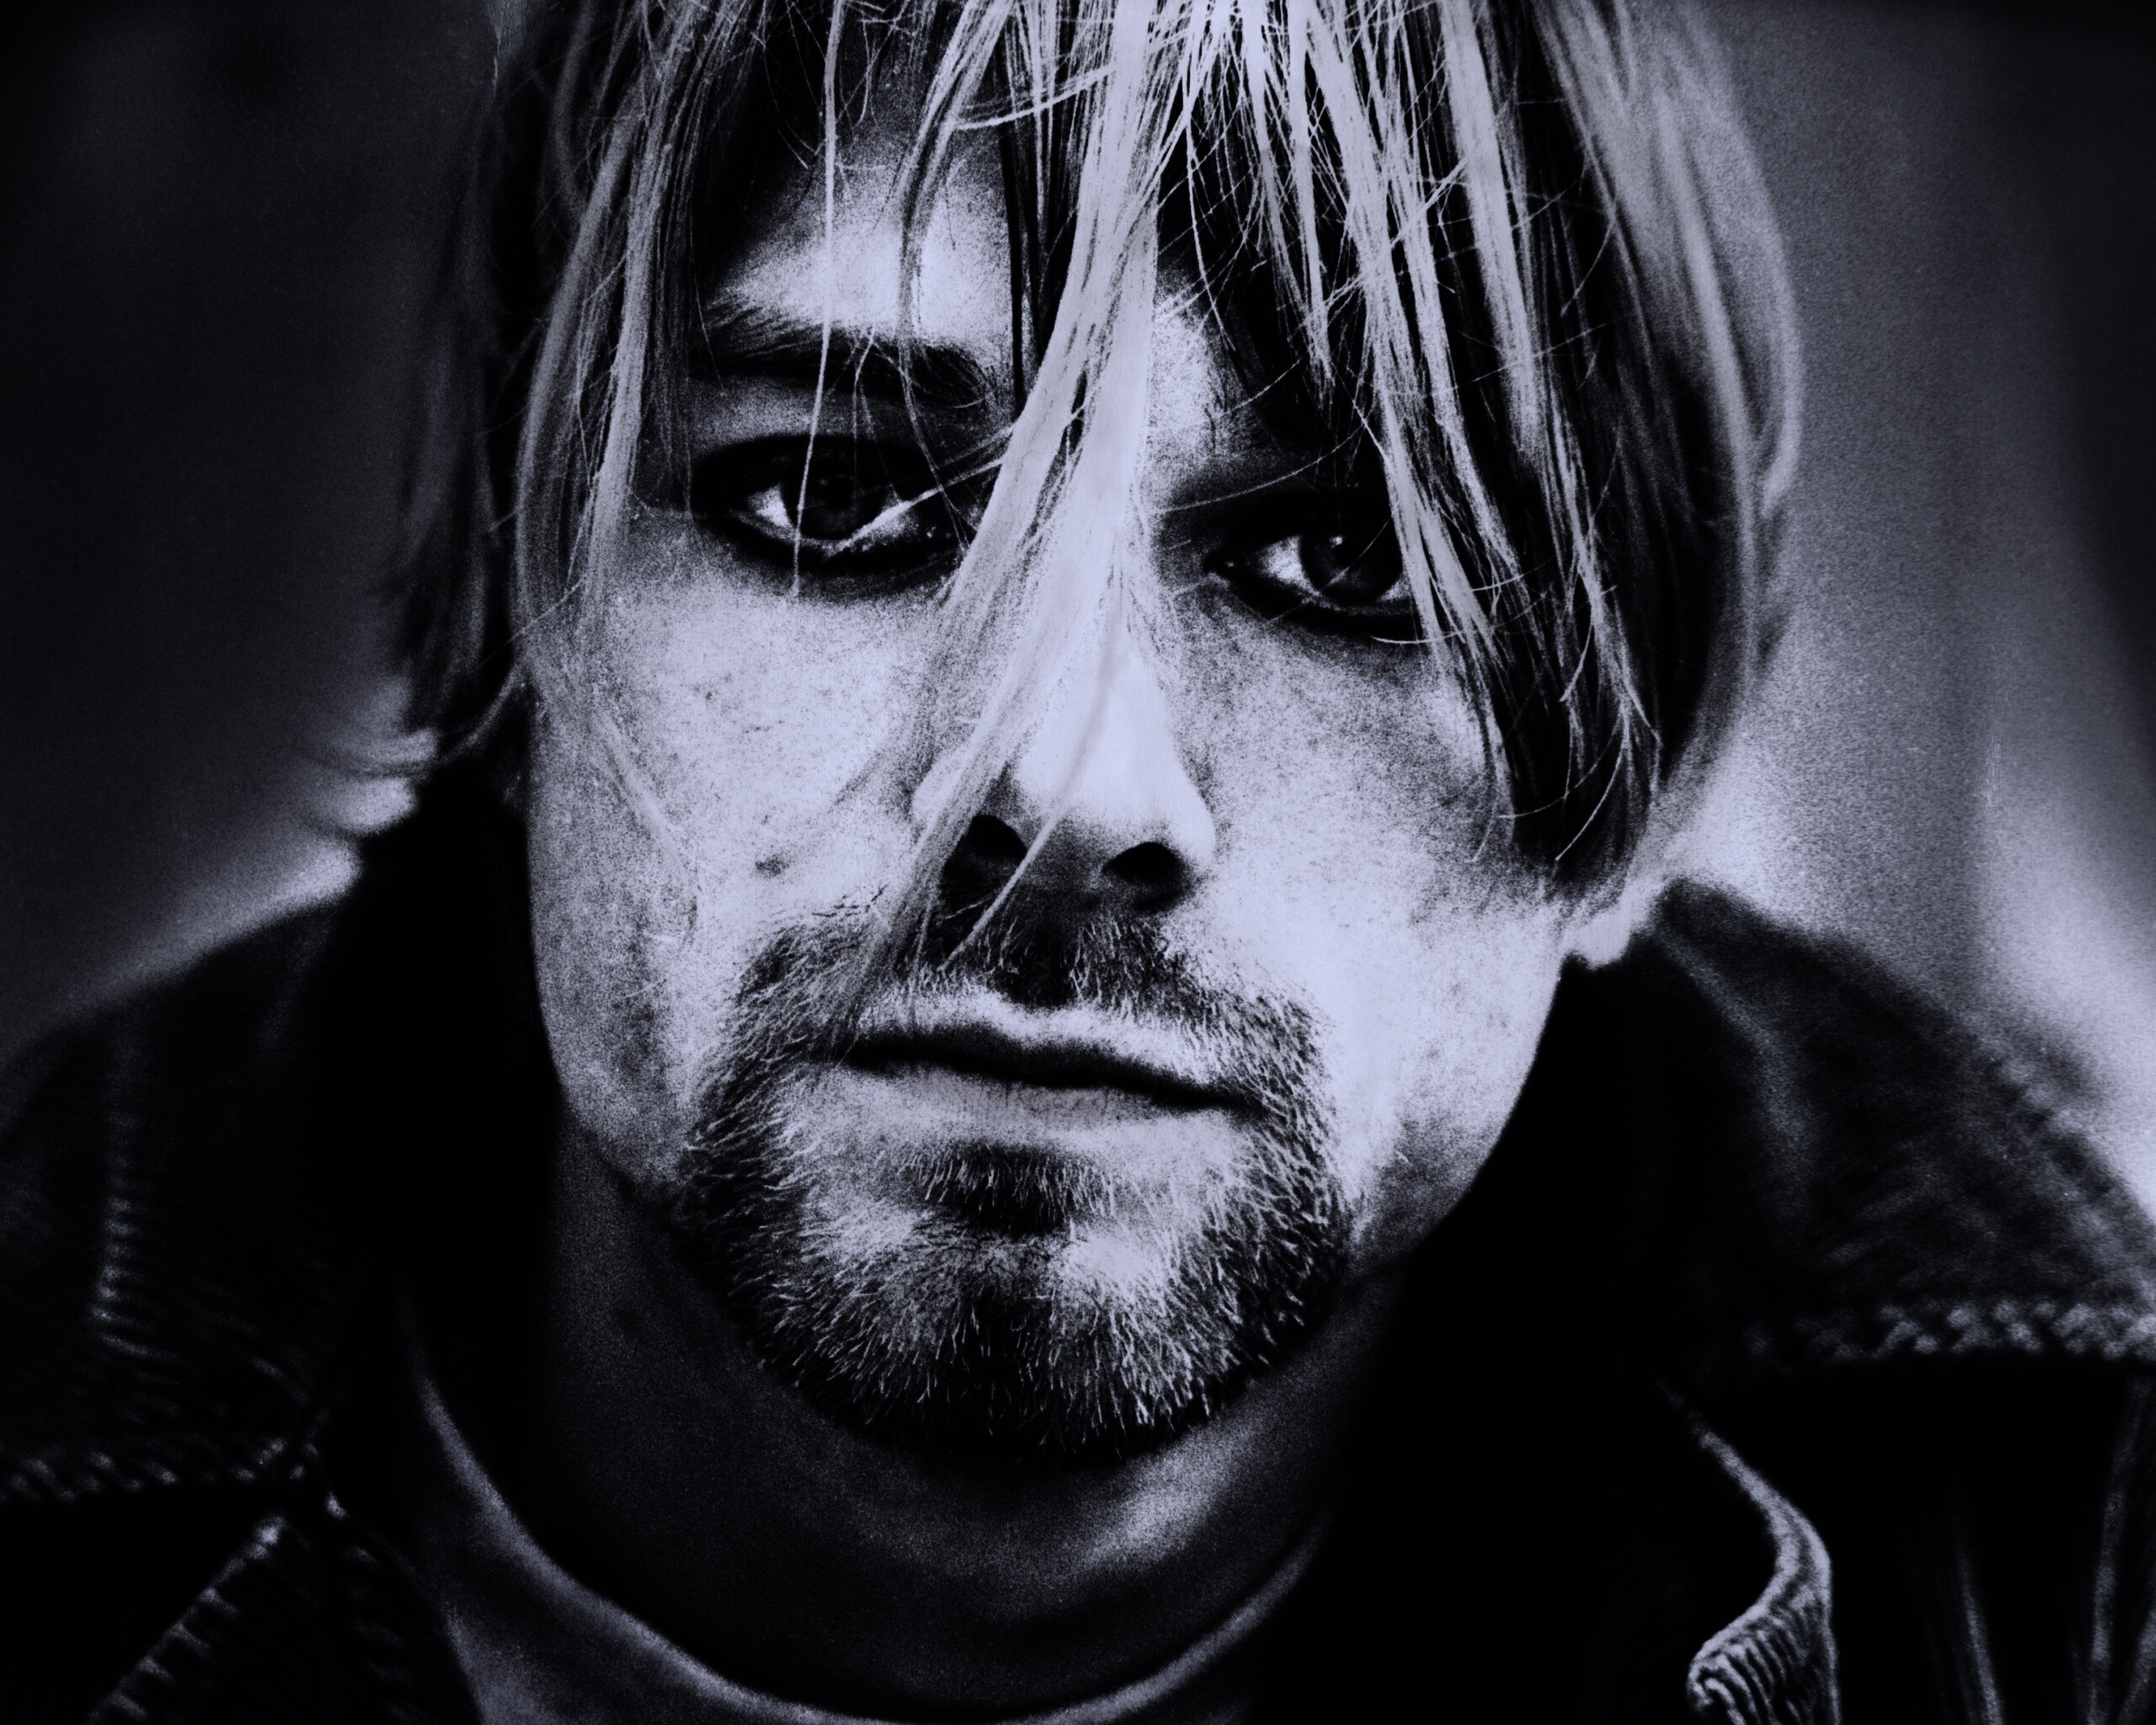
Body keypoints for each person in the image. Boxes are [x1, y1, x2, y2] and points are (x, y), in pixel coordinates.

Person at [5, 0, 2155, 1719]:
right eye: (832, 498)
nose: (1064, 779)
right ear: (513, 630)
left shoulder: (2067, 1560)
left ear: (1633, 783)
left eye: (1345, 559)